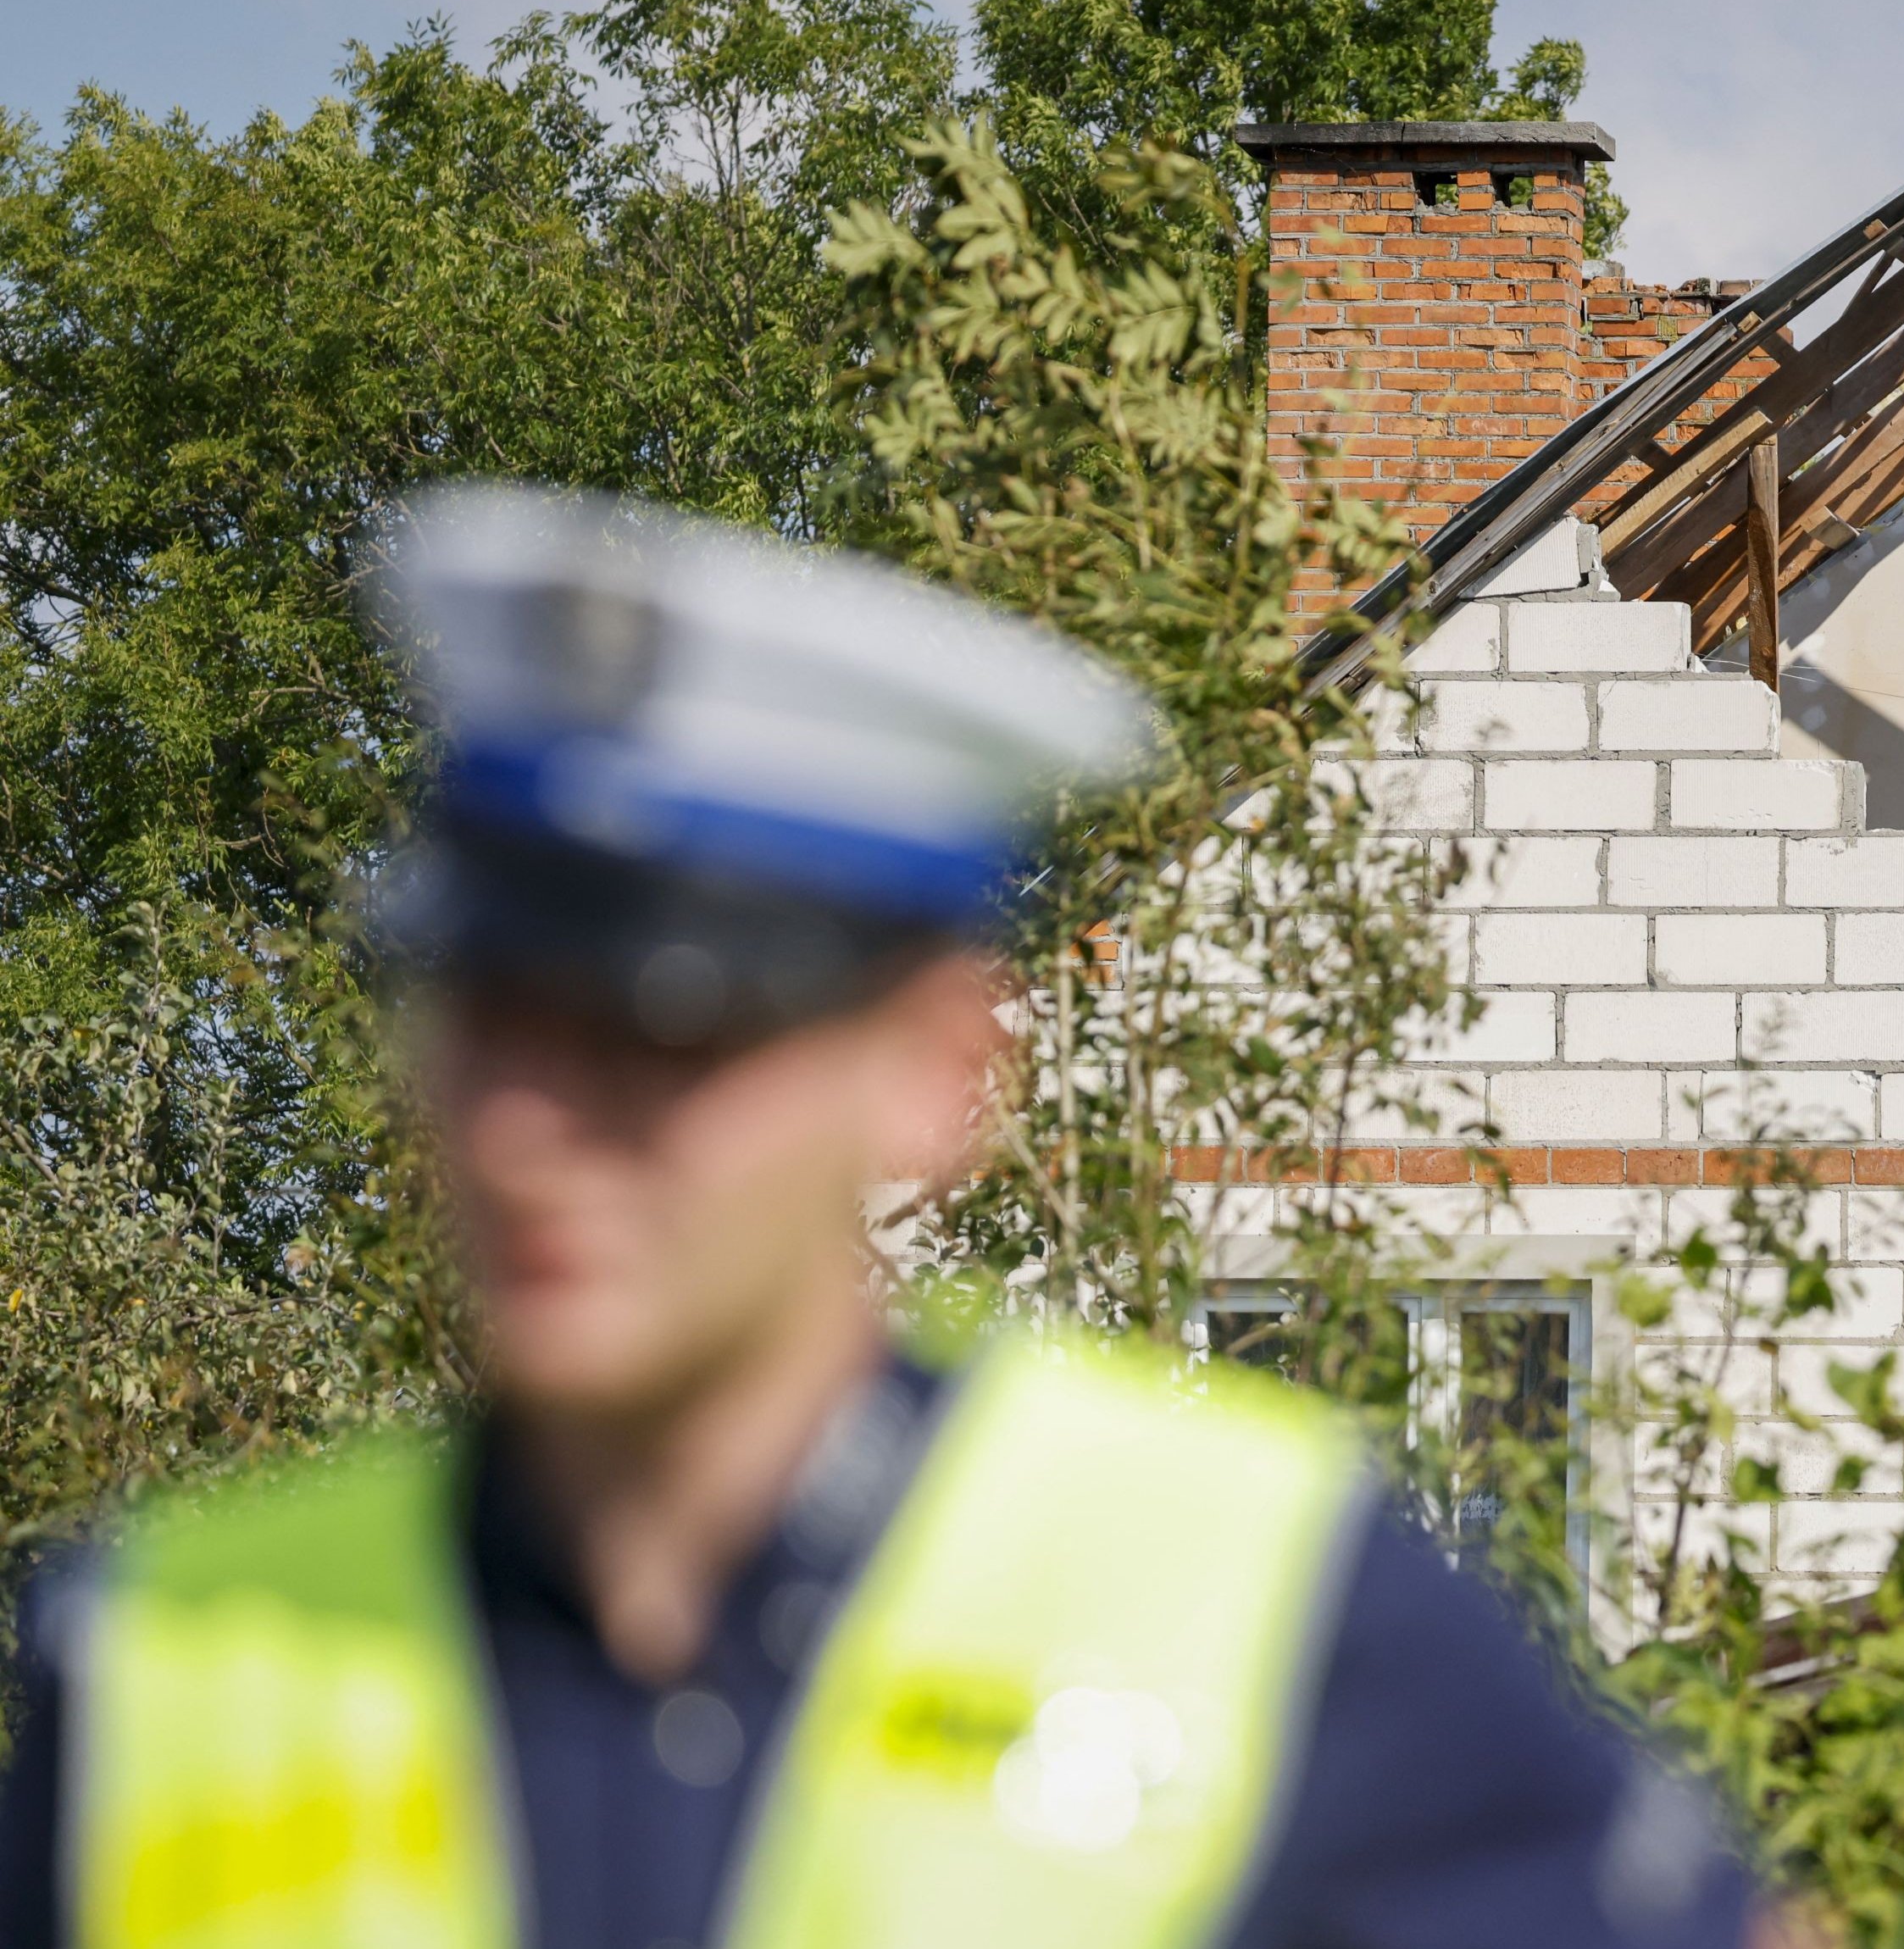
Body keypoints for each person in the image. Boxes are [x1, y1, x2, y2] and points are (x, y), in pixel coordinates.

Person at [0, 487, 1762, 1949]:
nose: (533, 1128)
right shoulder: (153, 1643)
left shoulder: (1286, 1603)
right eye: (492, 1013)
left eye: (666, 1031)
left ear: (934, 1068)